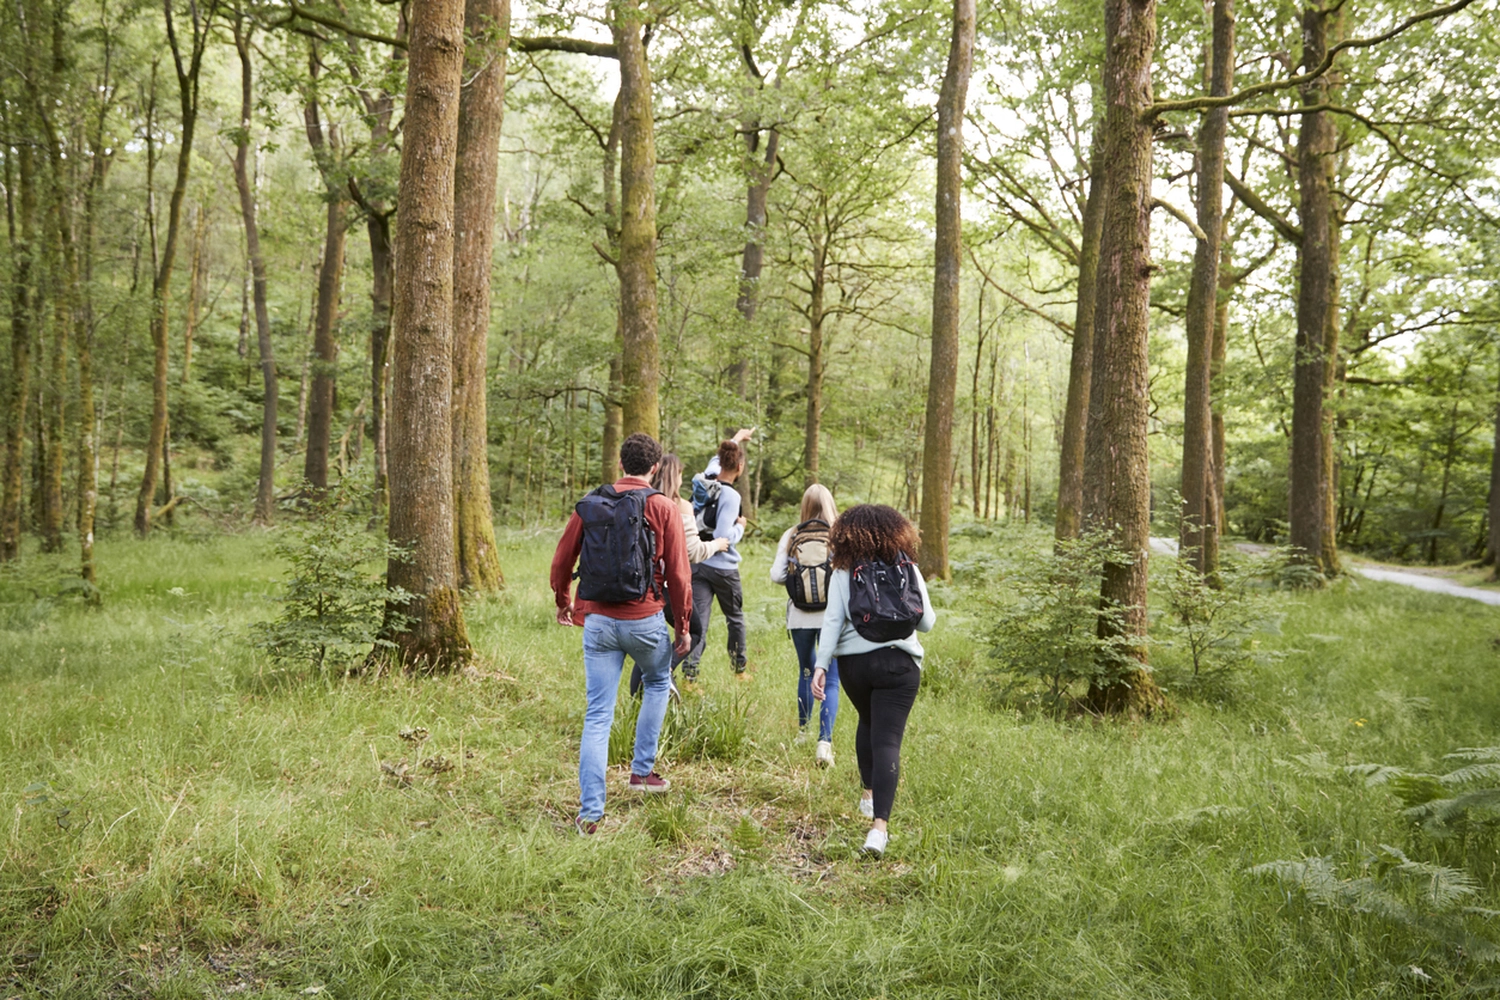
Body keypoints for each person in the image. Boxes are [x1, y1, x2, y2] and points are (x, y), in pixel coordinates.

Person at [550, 433, 693, 836]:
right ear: (655, 468)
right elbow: (680, 575)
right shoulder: (663, 506)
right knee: (657, 681)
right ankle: (642, 771)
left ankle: (591, 814)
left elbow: (563, 558)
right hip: (646, 620)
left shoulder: (591, 503)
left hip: (597, 621)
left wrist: (564, 600)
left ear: (619, 463)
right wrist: (682, 626)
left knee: (598, 714)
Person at [811, 504, 935, 857]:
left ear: (847, 535)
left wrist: (821, 666)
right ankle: (878, 829)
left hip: (855, 668)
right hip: (900, 667)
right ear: (898, 532)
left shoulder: (843, 571)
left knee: (867, 721)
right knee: (888, 741)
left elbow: (833, 621)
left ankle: (868, 795)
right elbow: (927, 622)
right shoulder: (907, 567)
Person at [629, 454, 729, 697]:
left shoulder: (636, 501)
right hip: (665, 584)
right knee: (693, 631)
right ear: (676, 477)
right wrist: (717, 544)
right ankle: (665, 674)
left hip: (637, 582)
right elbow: (692, 551)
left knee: (646, 646)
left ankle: (637, 699)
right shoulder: (679, 505)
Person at [770, 484, 840, 767]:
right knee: (831, 678)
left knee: (807, 670)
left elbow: (776, 575)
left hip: (800, 618)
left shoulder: (792, 534)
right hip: (831, 619)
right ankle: (824, 742)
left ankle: (803, 731)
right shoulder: (839, 535)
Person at [682, 429, 753, 680]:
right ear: (740, 466)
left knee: (698, 621)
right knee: (735, 618)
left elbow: (716, 460)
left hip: (697, 563)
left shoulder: (704, 480)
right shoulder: (731, 495)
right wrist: (740, 528)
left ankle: (690, 676)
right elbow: (723, 536)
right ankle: (739, 670)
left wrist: (736, 438)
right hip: (723, 568)